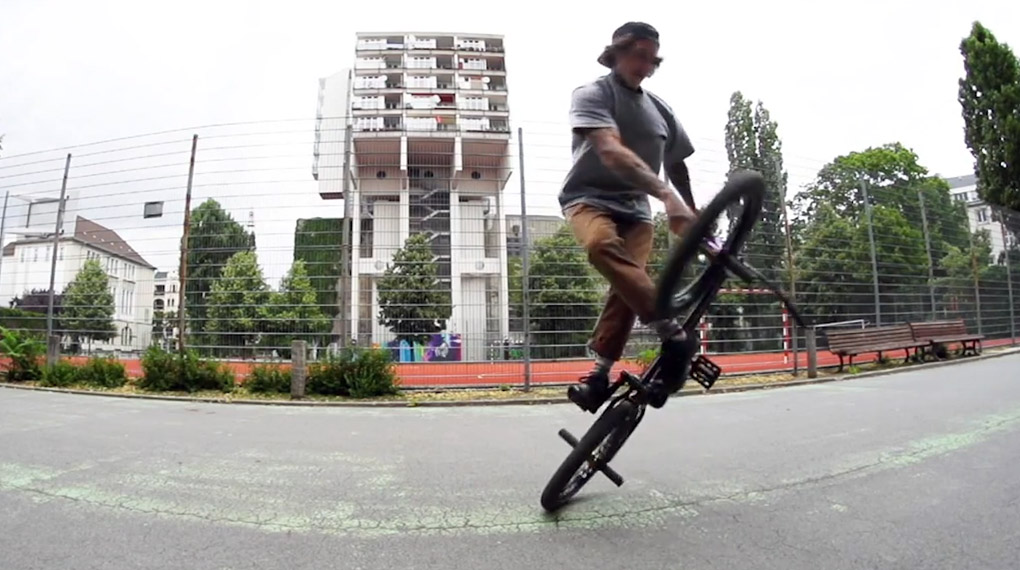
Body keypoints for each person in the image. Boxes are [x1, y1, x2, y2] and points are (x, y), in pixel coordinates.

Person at [558, 21, 700, 413]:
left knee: (628, 283)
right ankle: (675, 335)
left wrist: (689, 207)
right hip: (588, 199)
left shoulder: (660, 110)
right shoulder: (591, 94)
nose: (646, 66)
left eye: (652, 60)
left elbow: (678, 164)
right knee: (601, 246)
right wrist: (667, 197)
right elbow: (609, 150)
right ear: (616, 52)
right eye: (639, 55)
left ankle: (598, 375)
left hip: (637, 210)